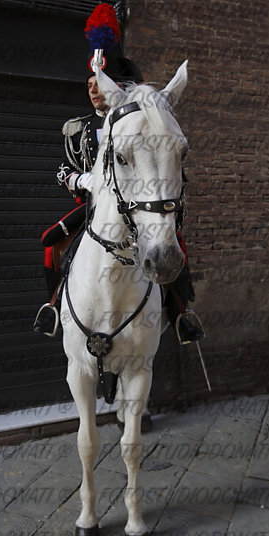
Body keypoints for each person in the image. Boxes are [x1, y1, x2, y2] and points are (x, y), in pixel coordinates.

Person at [33, 66, 203, 346]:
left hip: (131, 201)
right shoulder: (79, 128)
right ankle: (52, 306)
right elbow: (63, 169)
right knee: (51, 242)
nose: (93, 90)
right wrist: (82, 179)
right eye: (89, 85)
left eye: (97, 84)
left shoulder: (137, 121)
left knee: (177, 245)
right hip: (93, 204)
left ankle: (180, 314)